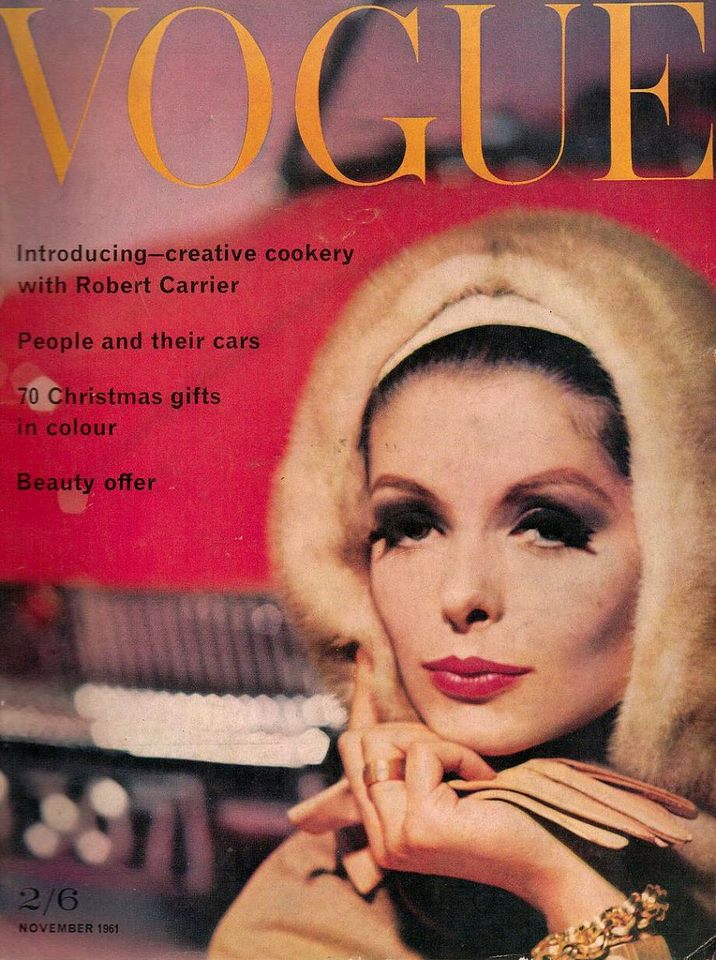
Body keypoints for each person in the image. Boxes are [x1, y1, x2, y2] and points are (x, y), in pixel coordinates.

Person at [209, 211, 716, 959]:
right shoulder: (313, 914)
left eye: (547, 526)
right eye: (411, 525)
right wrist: (556, 882)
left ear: (688, 559)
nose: (461, 595)